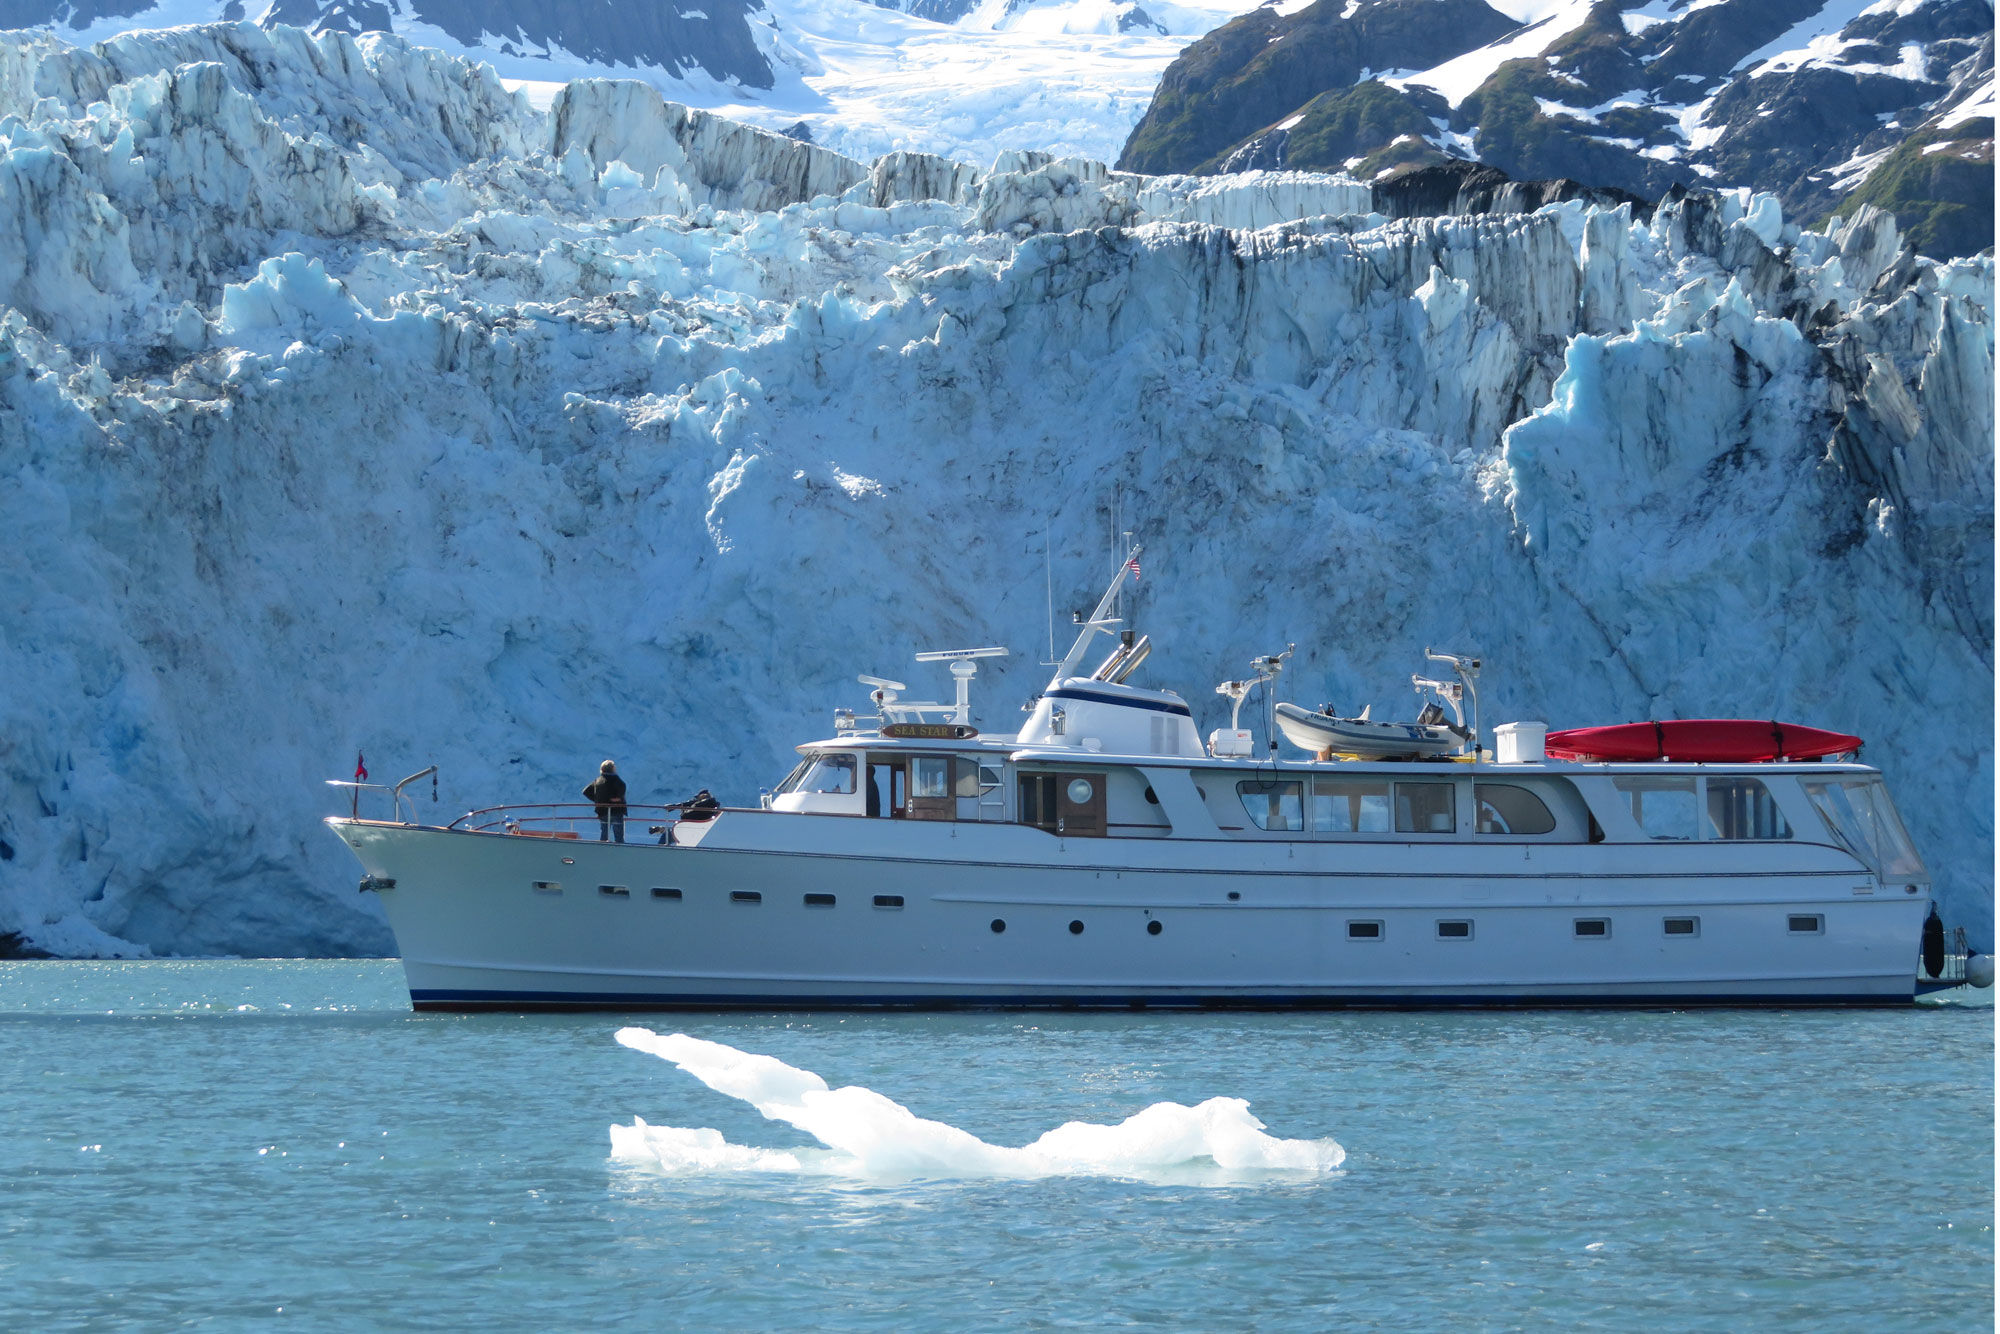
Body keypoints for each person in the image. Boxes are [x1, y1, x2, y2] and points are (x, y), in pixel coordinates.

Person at [583, 760, 628, 843]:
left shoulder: (598, 780)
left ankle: (602, 849)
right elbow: (621, 791)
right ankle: (620, 851)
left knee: (604, 833)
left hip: (602, 811)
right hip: (616, 810)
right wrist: (617, 799)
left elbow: (586, 791)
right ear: (613, 769)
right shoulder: (617, 780)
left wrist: (598, 800)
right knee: (618, 835)